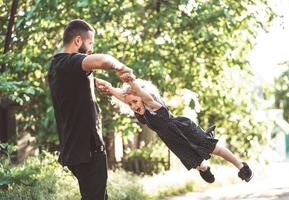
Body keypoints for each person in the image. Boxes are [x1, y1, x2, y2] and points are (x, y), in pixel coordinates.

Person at [95, 73, 253, 183]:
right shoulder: (137, 107)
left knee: (214, 149)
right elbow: (123, 96)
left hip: (184, 129)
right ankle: (204, 168)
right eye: (130, 104)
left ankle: (241, 166)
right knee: (194, 161)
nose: (133, 106)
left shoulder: (153, 105)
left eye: (135, 102)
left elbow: (142, 94)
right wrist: (108, 87)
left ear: (142, 98)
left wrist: (132, 82)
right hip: (172, 140)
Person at [48, 19, 132, 200]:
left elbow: (74, 97)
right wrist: (122, 67)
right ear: (78, 41)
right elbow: (102, 60)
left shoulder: (57, 66)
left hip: (77, 150)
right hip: (88, 151)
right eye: (90, 43)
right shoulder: (68, 62)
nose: (91, 48)